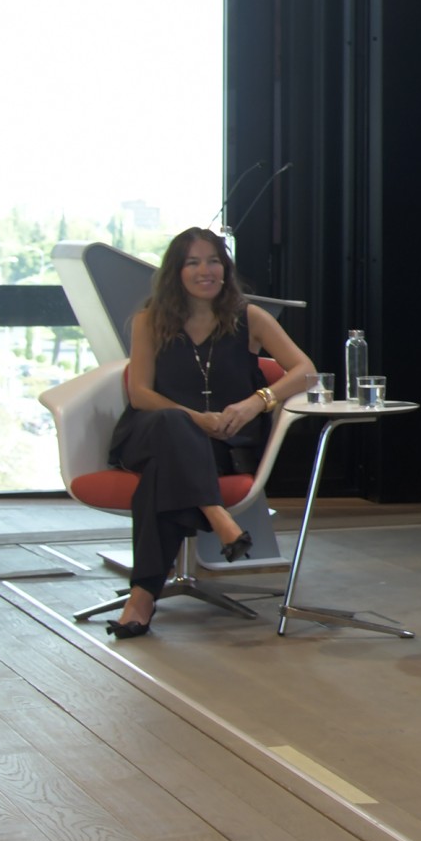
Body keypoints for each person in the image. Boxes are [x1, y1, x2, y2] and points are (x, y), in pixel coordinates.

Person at [106, 228, 317, 638]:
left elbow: (304, 370)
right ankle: (216, 515)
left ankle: (142, 596)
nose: (206, 270)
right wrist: (193, 417)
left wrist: (257, 401)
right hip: (151, 432)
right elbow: (141, 394)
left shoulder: (249, 317)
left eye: (213, 261)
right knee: (172, 424)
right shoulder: (149, 321)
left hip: (219, 445)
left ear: (226, 268)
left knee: (160, 475)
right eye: (193, 262)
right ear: (176, 272)